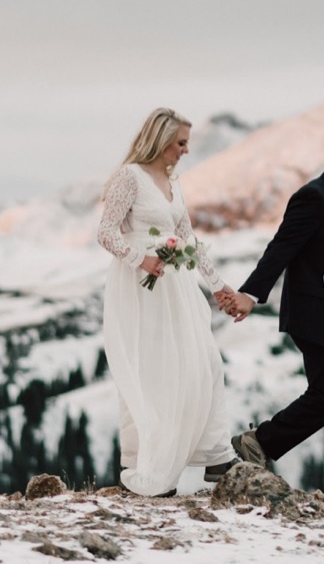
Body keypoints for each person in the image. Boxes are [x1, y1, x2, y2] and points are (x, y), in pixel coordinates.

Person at [218, 127, 324, 493]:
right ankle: (259, 443)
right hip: (319, 319)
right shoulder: (314, 197)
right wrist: (251, 293)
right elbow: (282, 247)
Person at [96, 107, 239, 496]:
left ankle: (216, 453)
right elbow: (106, 232)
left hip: (178, 288)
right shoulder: (131, 178)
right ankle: (143, 464)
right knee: (150, 373)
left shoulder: (173, 182)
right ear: (160, 141)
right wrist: (140, 259)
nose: (185, 150)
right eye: (180, 143)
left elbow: (189, 238)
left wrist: (219, 286)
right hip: (141, 287)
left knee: (205, 360)